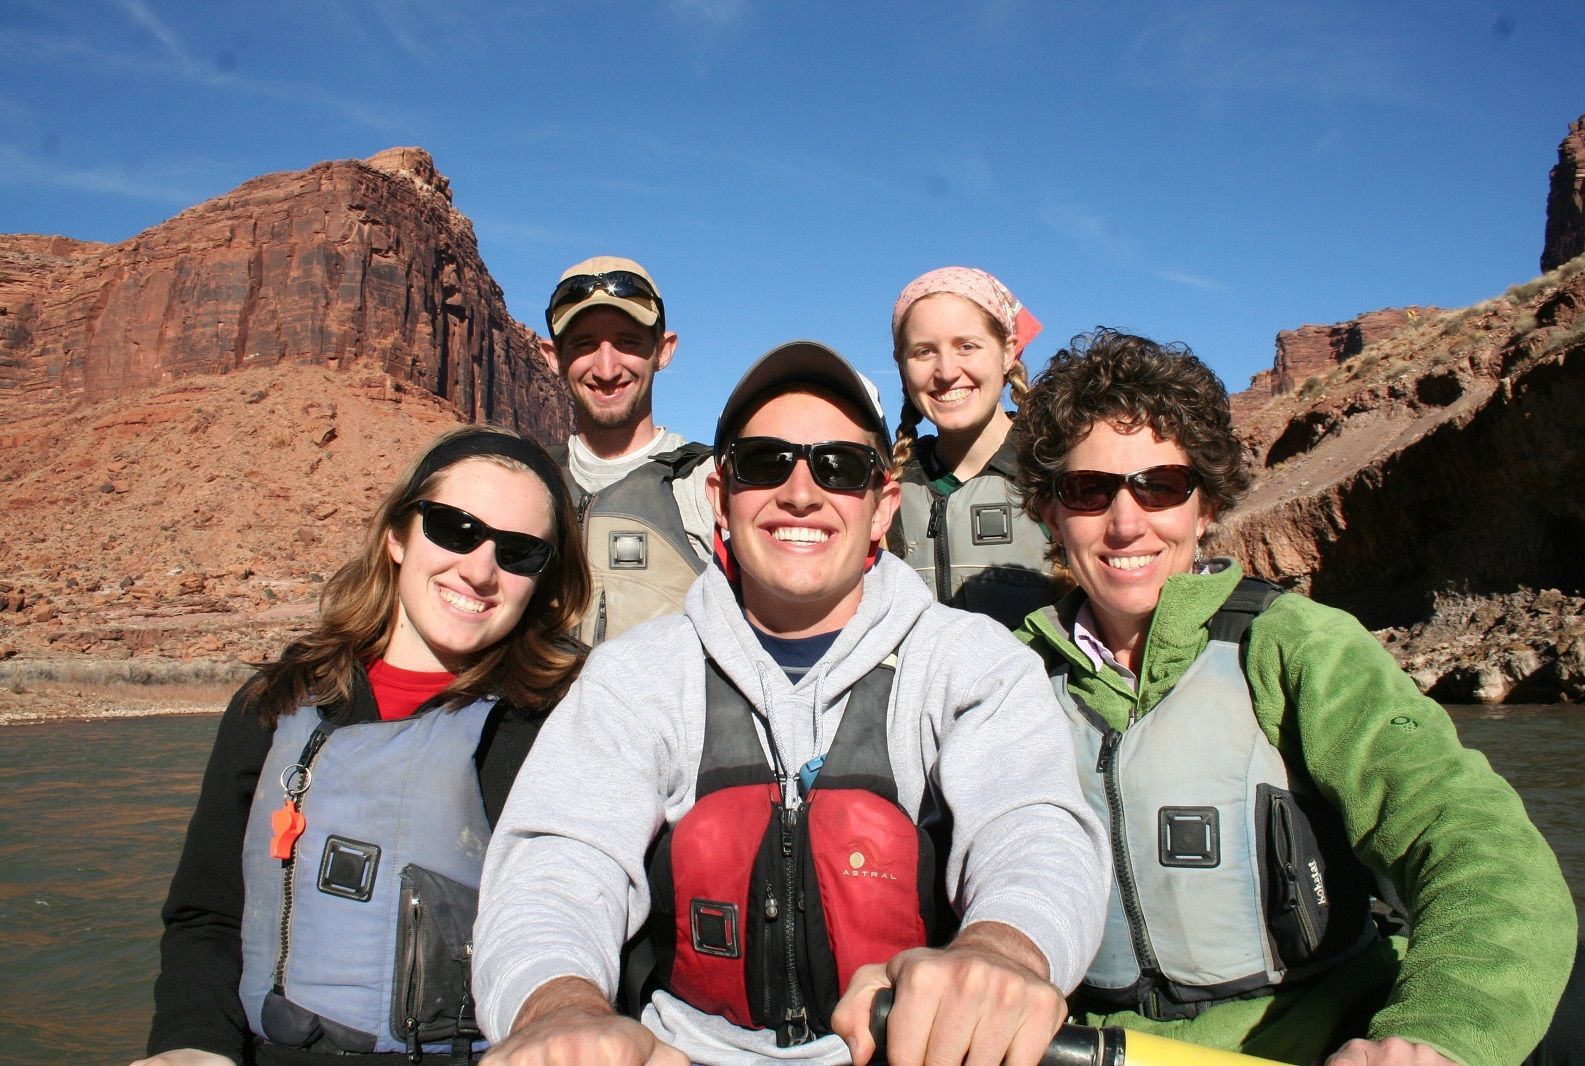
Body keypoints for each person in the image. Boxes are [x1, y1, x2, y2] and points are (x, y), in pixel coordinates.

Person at [472, 341, 1111, 1066]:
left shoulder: (973, 666)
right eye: (764, 463)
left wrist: (1003, 948)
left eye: (840, 467)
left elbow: (1032, 827)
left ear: (881, 508)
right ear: (720, 498)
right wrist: (559, 1008)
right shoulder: (636, 678)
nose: (801, 492)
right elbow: (560, 862)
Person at [1010, 328, 1580, 1066]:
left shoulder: (1300, 645)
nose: (1126, 522)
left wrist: (1438, 1035)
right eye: (1089, 491)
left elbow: (1474, 843)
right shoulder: (1013, 676)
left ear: (1204, 505)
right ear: (1051, 513)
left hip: (1316, 1042)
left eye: (1161, 486)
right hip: (1088, 1049)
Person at [134, 426, 590, 1066]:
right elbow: (207, 916)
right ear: (397, 536)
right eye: (454, 529)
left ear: (543, 579)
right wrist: (192, 1044)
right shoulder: (276, 702)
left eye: (519, 552)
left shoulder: (561, 724)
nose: (480, 569)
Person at [539, 255, 717, 644]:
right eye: (584, 344)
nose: (606, 368)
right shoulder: (528, 480)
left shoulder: (709, 483)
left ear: (664, 350)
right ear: (553, 358)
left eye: (627, 342)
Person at [886, 266, 1064, 630]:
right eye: (924, 352)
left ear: (1007, 352)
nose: (947, 370)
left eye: (966, 346)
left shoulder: (1059, 476)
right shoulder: (887, 493)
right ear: (902, 368)